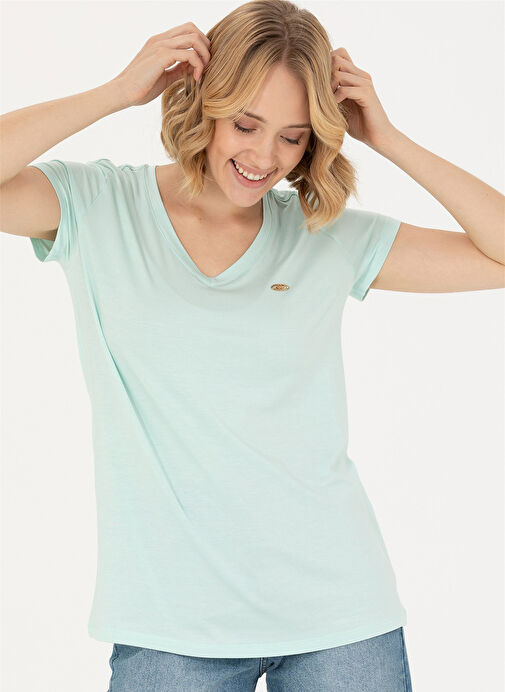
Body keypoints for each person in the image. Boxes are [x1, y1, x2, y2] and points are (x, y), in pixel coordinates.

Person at [1, 0, 503, 689]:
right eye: (244, 124)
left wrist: (387, 138)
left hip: (340, 618)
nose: (264, 157)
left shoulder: (324, 234)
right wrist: (116, 92)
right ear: (203, 102)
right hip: (170, 627)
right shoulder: (99, 207)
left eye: (293, 137)